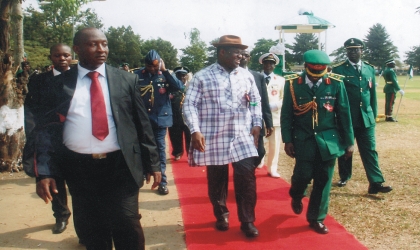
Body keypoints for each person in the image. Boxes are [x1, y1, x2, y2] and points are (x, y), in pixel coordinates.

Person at [24, 27, 161, 250]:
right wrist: (44, 172)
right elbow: (45, 131)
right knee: (92, 228)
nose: (101, 49)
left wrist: (153, 163)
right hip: (79, 169)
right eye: (93, 44)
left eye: (104, 44)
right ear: (77, 49)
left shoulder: (126, 80)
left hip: (121, 165)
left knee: (126, 221)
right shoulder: (58, 85)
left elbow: (142, 125)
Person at [183, 35, 262, 238]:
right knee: (217, 179)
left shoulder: (246, 76)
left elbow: (255, 101)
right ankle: (221, 214)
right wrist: (195, 129)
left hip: (241, 135)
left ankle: (247, 221)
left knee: (247, 176)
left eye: (242, 51)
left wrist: (256, 123)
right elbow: (189, 104)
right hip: (214, 136)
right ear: (222, 52)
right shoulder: (202, 76)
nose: (241, 55)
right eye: (236, 51)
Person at [281, 50, 354, 234]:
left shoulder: (335, 83)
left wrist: (349, 142)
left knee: (323, 181)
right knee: (302, 176)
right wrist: (287, 140)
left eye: (321, 70)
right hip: (303, 140)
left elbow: (344, 114)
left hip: (327, 142)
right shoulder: (293, 84)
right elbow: (287, 114)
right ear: (306, 67)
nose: (316, 76)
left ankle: (316, 218)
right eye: (314, 70)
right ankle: (296, 194)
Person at [24, 43, 74, 235]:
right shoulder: (38, 80)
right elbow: (32, 109)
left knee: (79, 181)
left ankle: (85, 225)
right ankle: (61, 215)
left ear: (72, 56)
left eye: (66, 55)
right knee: (53, 178)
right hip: (49, 137)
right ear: (51, 57)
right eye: (57, 56)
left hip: (75, 135)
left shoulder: (79, 78)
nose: (62, 59)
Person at [332, 38, 393, 194]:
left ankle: (376, 182)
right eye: (350, 50)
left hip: (366, 117)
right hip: (347, 118)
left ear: (362, 51)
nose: (353, 52)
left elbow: (371, 94)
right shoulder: (338, 70)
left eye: (356, 49)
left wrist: (372, 114)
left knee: (370, 150)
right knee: (346, 149)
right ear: (346, 52)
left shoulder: (369, 69)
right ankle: (345, 176)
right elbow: (335, 96)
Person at [134, 50, 182, 195]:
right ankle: (145, 173)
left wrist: (165, 70)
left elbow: (179, 87)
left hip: (160, 119)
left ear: (160, 63)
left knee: (160, 150)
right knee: (143, 148)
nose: (153, 69)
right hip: (144, 120)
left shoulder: (165, 75)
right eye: (150, 66)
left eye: (155, 66)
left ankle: (162, 181)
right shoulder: (137, 75)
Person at [239, 50, 274, 169]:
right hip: (238, 123)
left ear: (249, 58)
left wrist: (269, 123)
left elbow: (264, 101)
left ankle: (249, 169)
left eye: (246, 55)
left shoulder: (258, 77)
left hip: (255, 122)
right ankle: (245, 174)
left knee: (260, 152)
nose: (244, 57)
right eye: (241, 55)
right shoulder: (230, 74)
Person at [258, 52, 285, 178]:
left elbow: (284, 98)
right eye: (266, 63)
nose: (268, 65)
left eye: (271, 63)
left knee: (274, 144)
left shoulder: (280, 80)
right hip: (259, 117)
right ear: (262, 64)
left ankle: (272, 168)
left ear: (275, 66)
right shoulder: (256, 78)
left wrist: (275, 106)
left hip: (275, 116)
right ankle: (259, 161)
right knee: (259, 142)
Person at [168, 66, 191, 161]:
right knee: (175, 135)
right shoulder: (171, 87)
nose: (181, 77)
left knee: (190, 136)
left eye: (183, 75)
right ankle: (177, 152)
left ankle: (191, 154)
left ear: (186, 76)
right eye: (179, 75)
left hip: (188, 117)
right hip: (175, 116)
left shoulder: (191, 86)